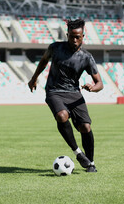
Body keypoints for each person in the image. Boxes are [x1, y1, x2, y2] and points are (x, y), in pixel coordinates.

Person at [28, 18, 103, 173]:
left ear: (83, 36)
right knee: (62, 116)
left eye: (78, 37)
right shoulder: (55, 48)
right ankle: (77, 152)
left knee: (85, 126)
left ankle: (91, 163)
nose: (74, 40)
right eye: (71, 36)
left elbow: (100, 83)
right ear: (67, 34)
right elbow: (43, 61)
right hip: (54, 91)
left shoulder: (86, 57)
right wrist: (34, 78)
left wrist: (92, 88)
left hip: (74, 93)